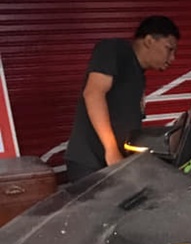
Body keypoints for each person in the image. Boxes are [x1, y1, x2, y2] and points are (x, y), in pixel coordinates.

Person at [65, 15, 180, 182]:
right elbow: (93, 94)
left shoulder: (139, 75)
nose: (172, 58)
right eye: (169, 49)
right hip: (91, 163)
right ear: (149, 40)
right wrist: (111, 150)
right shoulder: (113, 50)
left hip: (116, 164)